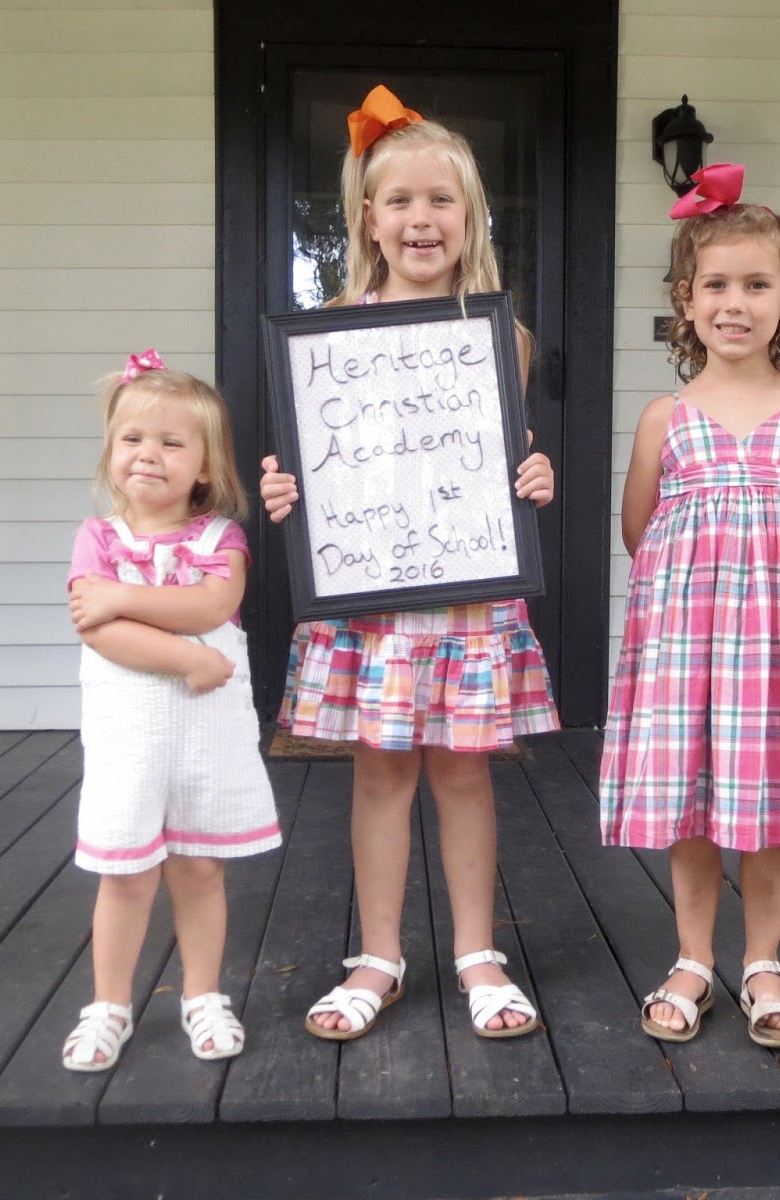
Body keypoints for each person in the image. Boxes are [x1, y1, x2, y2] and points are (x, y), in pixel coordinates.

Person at [259, 85, 557, 1040]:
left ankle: (478, 954)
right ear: (367, 220)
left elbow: (500, 462)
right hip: (373, 596)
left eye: (442, 201)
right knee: (381, 773)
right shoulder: (333, 334)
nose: (421, 218)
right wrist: (289, 496)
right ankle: (378, 957)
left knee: (465, 773)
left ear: (469, 219)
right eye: (400, 201)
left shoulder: (498, 336)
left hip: (467, 593)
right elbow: (323, 467)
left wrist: (535, 474)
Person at [599, 165, 780, 1049]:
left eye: (757, 284)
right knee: (694, 802)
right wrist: (702, 594)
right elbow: (641, 529)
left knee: (769, 803)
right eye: (717, 284)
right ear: (686, 299)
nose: (736, 302)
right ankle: (692, 958)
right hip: (687, 647)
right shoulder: (662, 419)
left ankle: (762, 962)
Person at [61, 351, 282, 1070]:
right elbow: (99, 629)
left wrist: (123, 596)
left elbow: (212, 604)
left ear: (206, 469)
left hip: (204, 737)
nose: (147, 455)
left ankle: (203, 994)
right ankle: (110, 1005)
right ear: (110, 452)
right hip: (129, 736)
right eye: (132, 439)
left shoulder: (221, 540)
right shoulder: (99, 538)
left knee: (199, 866)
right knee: (125, 872)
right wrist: (189, 657)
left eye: (170, 442)